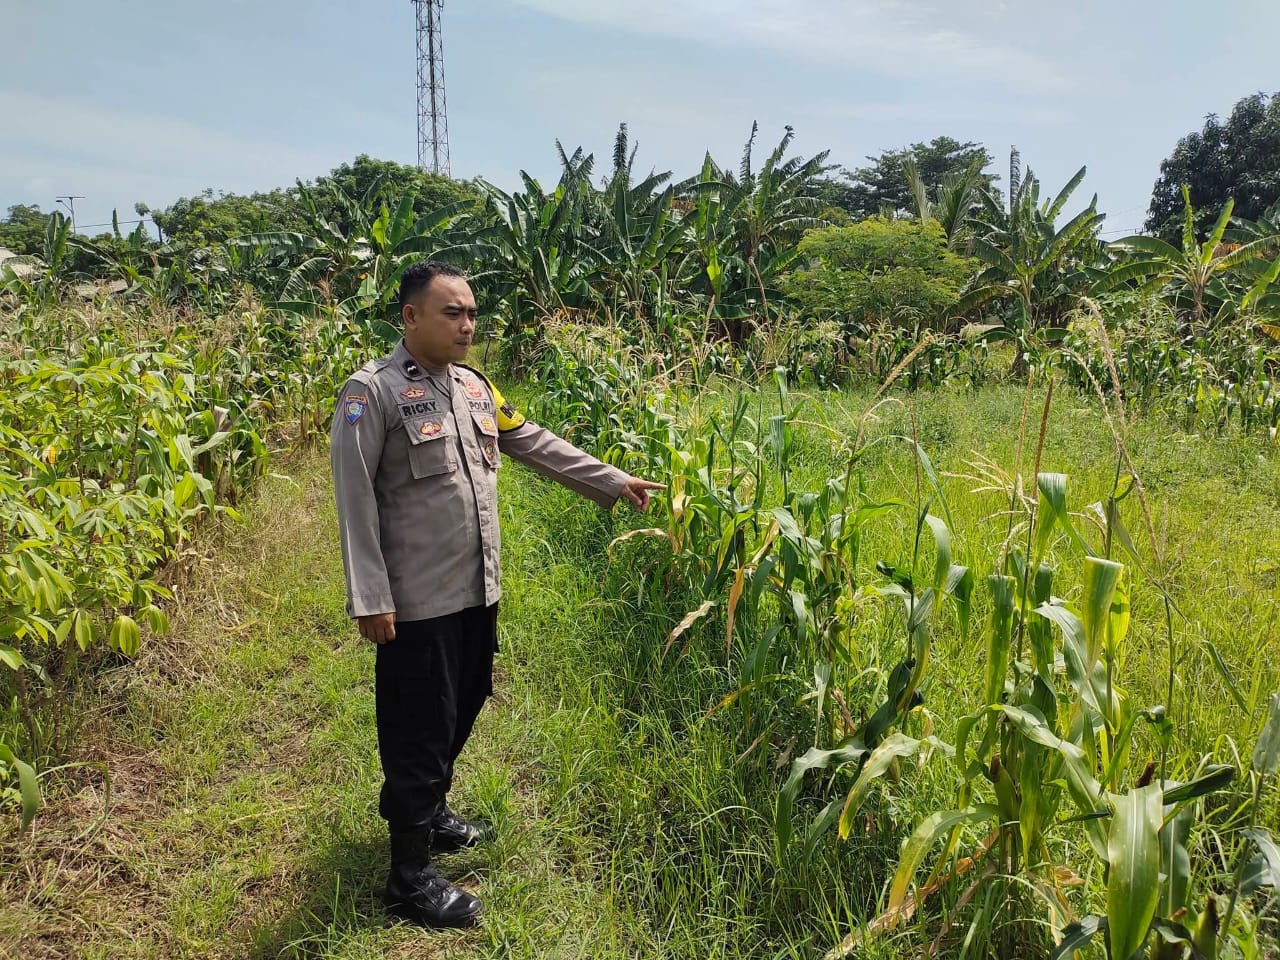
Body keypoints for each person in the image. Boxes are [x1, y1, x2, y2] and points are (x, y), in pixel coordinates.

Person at [329, 260, 663, 928]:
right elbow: (353, 497)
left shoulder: (475, 387)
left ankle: (431, 812)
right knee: (420, 726)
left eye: (472, 313)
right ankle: (408, 877)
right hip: (416, 600)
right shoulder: (373, 393)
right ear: (410, 317)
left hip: (477, 589)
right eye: (452, 312)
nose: (467, 325)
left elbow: (531, 441)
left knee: (467, 700)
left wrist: (611, 480)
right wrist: (370, 595)